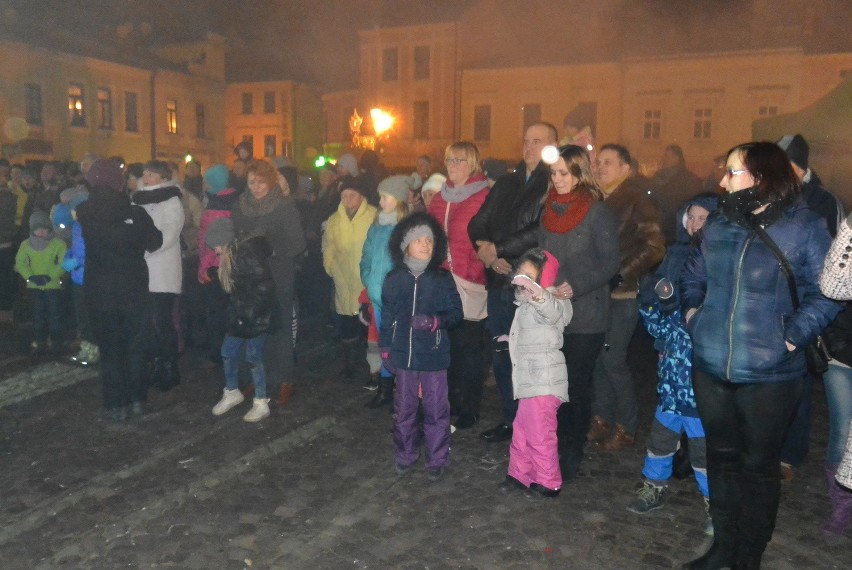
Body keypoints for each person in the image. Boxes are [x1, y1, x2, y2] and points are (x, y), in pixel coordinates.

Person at [680, 141, 840, 569]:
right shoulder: (719, 223)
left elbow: (828, 293)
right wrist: (694, 317)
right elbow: (693, 277)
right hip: (711, 365)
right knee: (721, 459)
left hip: (771, 374)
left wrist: (791, 337)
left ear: (762, 175)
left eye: (731, 171)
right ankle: (722, 548)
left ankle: (748, 555)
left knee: (758, 467)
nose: (721, 180)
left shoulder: (804, 226)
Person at [627, 194, 717, 536]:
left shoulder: (721, 260)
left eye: (703, 218)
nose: (694, 224)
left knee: (704, 447)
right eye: (690, 217)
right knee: (661, 437)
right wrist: (654, 308)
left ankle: (715, 503)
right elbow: (659, 317)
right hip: (672, 371)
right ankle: (653, 487)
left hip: (702, 375)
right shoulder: (675, 255)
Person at [469, 122, 558, 443]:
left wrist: (501, 249)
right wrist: (487, 251)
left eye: (537, 141)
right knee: (501, 353)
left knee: (530, 357)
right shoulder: (506, 183)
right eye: (526, 141)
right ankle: (511, 416)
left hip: (530, 285)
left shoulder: (554, 183)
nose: (529, 147)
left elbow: (542, 229)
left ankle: (536, 423)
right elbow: (478, 222)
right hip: (498, 281)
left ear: (552, 146)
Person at [537, 144, 619, 480]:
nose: (557, 180)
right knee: (554, 382)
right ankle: (553, 443)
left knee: (575, 383)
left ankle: (572, 449)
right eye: (553, 174)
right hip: (553, 311)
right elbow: (542, 255)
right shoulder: (547, 210)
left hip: (586, 313)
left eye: (563, 174)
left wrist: (578, 284)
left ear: (578, 173)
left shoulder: (596, 212)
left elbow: (611, 262)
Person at [776, 133, 845, 482]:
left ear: (800, 169)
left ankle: (789, 455)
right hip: (772, 306)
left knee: (799, 386)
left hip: (805, 307)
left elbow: (835, 263)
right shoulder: (770, 196)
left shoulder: (824, 201)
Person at [588, 143, 665, 451]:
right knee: (598, 358)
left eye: (608, 162)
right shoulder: (597, 198)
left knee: (613, 359)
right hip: (594, 292)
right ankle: (602, 418)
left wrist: (623, 274)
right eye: (598, 162)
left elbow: (655, 245)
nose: (600, 167)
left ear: (625, 168)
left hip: (621, 293)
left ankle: (627, 425)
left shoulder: (635, 199)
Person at [76, 159, 162, 421]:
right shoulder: (135, 214)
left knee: (111, 349)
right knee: (135, 346)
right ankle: (137, 399)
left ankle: (116, 404)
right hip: (133, 290)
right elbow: (155, 242)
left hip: (100, 292)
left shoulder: (84, 212)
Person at [380, 212, 463, 481]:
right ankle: (405, 454)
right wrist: (385, 347)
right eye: (419, 240)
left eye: (429, 240)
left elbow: (456, 313)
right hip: (404, 356)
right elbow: (388, 317)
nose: (425, 245)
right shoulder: (395, 278)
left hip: (434, 356)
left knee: (437, 409)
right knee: (404, 409)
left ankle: (437, 458)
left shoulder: (441, 279)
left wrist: (435, 322)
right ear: (406, 245)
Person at [498, 248, 572, 499]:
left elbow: (553, 314)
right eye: (521, 273)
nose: (524, 281)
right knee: (522, 427)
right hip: (530, 380)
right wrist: (511, 340)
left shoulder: (553, 301)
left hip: (545, 381)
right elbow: (534, 335)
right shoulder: (525, 307)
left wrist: (540, 294)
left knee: (540, 432)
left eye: (531, 277)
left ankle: (548, 480)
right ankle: (520, 473)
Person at [232, 159, 306, 406]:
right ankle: (257, 376)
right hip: (252, 277)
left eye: (261, 182)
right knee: (255, 327)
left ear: (271, 181)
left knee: (281, 326)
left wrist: (270, 249)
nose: (255, 187)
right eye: (252, 181)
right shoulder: (241, 206)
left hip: (278, 274)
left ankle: (285, 378)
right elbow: (237, 236)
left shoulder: (284, 207)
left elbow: (298, 244)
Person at [427, 141, 490, 430]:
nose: (452, 165)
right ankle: (448, 400)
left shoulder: (484, 196)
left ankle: (470, 406)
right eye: (449, 160)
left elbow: (488, 239)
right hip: (442, 281)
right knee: (446, 346)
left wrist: (473, 268)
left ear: (473, 163)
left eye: (459, 160)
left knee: (469, 349)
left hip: (470, 280)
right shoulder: (440, 197)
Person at [206, 218, 277, 422]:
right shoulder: (233, 255)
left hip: (256, 316)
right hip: (241, 314)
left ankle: (261, 401)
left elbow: (264, 287)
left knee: (254, 357)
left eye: (217, 246)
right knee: (227, 351)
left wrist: (250, 314)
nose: (216, 251)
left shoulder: (246, 254)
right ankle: (232, 391)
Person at [133, 160, 185, 391]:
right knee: (146, 322)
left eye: (152, 174)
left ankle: (169, 367)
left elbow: (169, 233)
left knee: (162, 320)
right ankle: (154, 363)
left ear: (163, 178)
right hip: (142, 271)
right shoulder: (137, 199)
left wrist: (143, 248)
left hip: (162, 270)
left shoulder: (172, 200)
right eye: (145, 173)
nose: (146, 177)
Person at [360, 175, 410, 408]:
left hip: (397, 301)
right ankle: (385, 388)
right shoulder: (377, 226)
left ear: (398, 199)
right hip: (378, 298)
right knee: (385, 346)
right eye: (380, 196)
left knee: (399, 346)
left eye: (385, 197)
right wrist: (368, 278)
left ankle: (403, 392)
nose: (380, 201)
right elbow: (367, 256)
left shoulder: (406, 229)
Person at [323, 175, 376, 383]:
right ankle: (350, 365)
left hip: (365, 282)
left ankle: (372, 369)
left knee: (368, 329)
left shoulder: (373, 216)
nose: (347, 200)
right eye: (344, 196)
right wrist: (330, 267)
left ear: (361, 196)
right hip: (343, 280)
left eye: (352, 195)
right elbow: (328, 246)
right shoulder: (335, 220)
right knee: (347, 327)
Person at [819, 211, 852, 539]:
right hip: (841, 353)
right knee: (842, 433)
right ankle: (841, 504)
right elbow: (830, 287)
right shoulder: (847, 239)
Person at [198, 164, 239, 366]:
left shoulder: (215, 207)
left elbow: (207, 243)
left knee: (216, 312)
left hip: (215, 264)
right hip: (232, 264)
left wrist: (203, 268)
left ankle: (219, 352)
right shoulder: (235, 201)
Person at [15, 211, 66, 355]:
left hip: (53, 285)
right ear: (32, 230)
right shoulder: (26, 245)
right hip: (35, 286)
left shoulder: (58, 244)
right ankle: (41, 341)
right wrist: (30, 277)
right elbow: (20, 263)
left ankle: (57, 342)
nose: (42, 232)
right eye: (38, 229)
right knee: (38, 315)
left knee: (54, 314)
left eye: (45, 229)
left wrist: (50, 276)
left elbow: (63, 263)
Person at [62, 193, 99, 365]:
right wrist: (68, 256)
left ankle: (93, 350)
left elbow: (96, 253)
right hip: (77, 278)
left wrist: (77, 261)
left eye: (74, 210)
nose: (72, 213)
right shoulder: (77, 227)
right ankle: (86, 348)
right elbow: (76, 248)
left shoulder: (94, 227)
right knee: (81, 317)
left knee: (89, 316)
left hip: (89, 278)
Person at [649, 144, 704, 245]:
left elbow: (694, 203)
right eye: (664, 156)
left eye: (668, 156)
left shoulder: (689, 180)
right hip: (659, 227)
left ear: (677, 158)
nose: (664, 159)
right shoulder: (658, 177)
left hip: (677, 229)